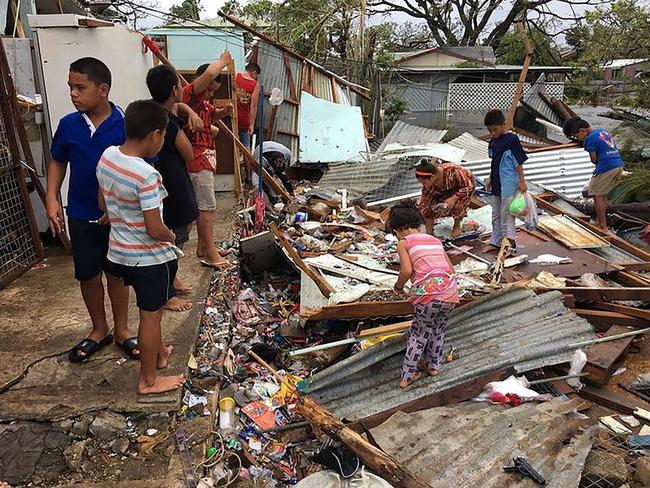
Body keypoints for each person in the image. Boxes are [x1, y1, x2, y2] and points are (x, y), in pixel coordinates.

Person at [46, 57, 139, 363]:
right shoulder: (69, 125)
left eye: (80, 87)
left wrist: (121, 207)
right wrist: (51, 198)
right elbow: (58, 159)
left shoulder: (124, 125)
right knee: (88, 275)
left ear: (103, 90)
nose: (73, 93)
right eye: (70, 87)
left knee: (116, 274)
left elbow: (138, 168)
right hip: (80, 214)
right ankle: (100, 329)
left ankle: (123, 330)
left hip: (115, 217)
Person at [96, 100, 185, 395]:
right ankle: (148, 381)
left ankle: (159, 354)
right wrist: (171, 236)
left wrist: (120, 215)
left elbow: (102, 203)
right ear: (156, 135)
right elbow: (154, 228)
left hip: (117, 254)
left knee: (151, 312)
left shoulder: (108, 156)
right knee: (151, 316)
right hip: (147, 260)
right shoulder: (147, 176)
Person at [146, 64, 202, 312]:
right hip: (173, 185)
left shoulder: (147, 113)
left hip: (156, 186)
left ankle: (172, 280)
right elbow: (188, 153)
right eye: (179, 85)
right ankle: (167, 291)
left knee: (167, 236)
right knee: (175, 237)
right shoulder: (169, 122)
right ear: (173, 90)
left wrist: (185, 108)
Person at [390, 200, 458, 389]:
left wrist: (398, 287)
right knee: (438, 329)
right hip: (450, 293)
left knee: (418, 333)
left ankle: (407, 376)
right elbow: (451, 269)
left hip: (428, 297)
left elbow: (405, 271)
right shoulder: (434, 240)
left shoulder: (404, 243)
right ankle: (433, 366)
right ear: (418, 223)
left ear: (396, 229)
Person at [182, 51, 233, 269]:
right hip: (196, 159)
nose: (211, 94)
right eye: (210, 88)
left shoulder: (203, 103)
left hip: (205, 159)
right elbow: (210, 73)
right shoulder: (191, 96)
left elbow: (215, 114)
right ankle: (211, 253)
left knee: (204, 207)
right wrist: (223, 61)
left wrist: (225, 111)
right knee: (206, 208)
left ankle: (203, 246)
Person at [563, 117, 624, 232]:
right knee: (603, 194)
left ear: (582, 131)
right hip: (618, 165)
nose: (578, 139)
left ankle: (603, 225)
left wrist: (597, 163)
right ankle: (601, 222)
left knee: (596, 194)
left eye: (576, 137)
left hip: (606, 166)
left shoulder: (589, 139)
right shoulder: (602, 132)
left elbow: (594, 158)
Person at [483, 109, 528, 249]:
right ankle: (495, 242)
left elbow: (518, 163)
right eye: (490, 130)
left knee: (507, 214)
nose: (493, 133)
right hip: (496, 181)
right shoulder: (493, 142)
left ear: (504, 124)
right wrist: (490, 178)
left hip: (508, 182)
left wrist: (522, 181)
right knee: (496, 213)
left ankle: (509, 243)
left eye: (495, 129)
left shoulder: (512, 140)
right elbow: (494, 162)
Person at [415, 159, 476, 238]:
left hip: (463, 189)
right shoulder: (429, 185)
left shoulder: (453, 172)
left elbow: (468, 186)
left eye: (424, 183)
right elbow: (425, 204)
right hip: (442, 191)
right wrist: (429, 233)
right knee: (426, 206)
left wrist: (453, 198)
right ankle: (430, 232)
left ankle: (456, 226)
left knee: (457, 206)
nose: (424, 185)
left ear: (433, 177)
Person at [235, 62, 261, 147]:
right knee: (245, 147)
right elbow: (253, 106)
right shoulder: (255, 85)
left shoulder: (235, 76)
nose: (255, 78)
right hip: (243, 120)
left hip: (230, 116)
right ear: (253, 72)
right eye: (256, 76)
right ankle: (248, 160)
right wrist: (251, 124)